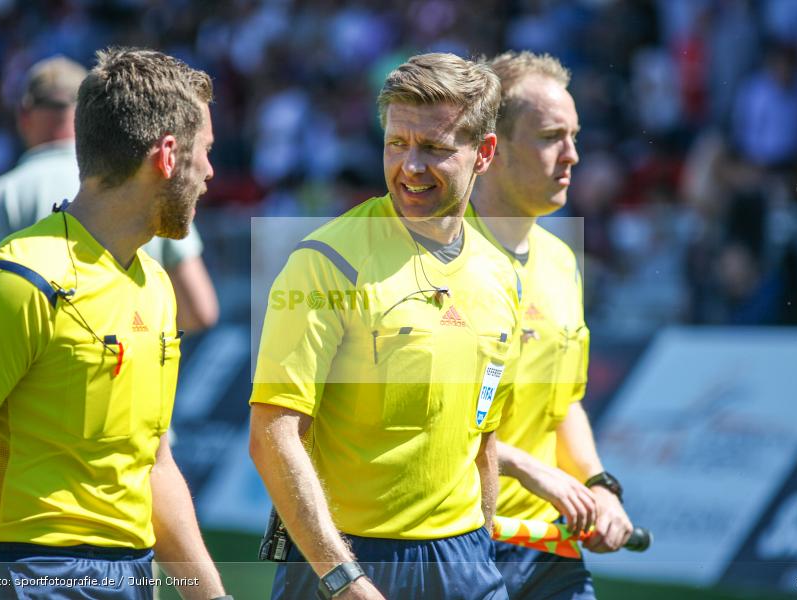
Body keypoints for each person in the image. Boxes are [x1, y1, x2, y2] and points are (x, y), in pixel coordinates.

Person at [249, 53, 520, 600]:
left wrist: (481, 544)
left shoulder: (500, 273)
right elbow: (272, 437)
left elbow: (483, 437)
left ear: (484, 153)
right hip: (349, 562)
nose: (410, 166)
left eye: (435, 149)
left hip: (465, 560)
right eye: (397, 143)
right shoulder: (326, 261)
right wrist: (343, 577)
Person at [0, 47, 227, 600]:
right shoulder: (18, 282)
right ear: (167, 155)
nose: (210, 173)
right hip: (25, 576)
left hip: (134, 575)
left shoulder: (156, 286)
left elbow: (154, 465)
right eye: (205, 152)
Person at [468, 51, 634, 599]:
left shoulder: (563, 261)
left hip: (544, 548)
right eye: (549, 137)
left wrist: (597, 486)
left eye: (574, 135)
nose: (572, 156)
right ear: (492, 149)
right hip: (447, 544)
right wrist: (524, 469)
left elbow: (565, 405)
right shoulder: (433, 260)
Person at [0, 55, 219, 333]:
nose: (209, 171)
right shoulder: (149, 175)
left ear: (24, 116)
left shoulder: (2, 194)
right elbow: (200, 310)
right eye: (205, 151)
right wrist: (138, 332)